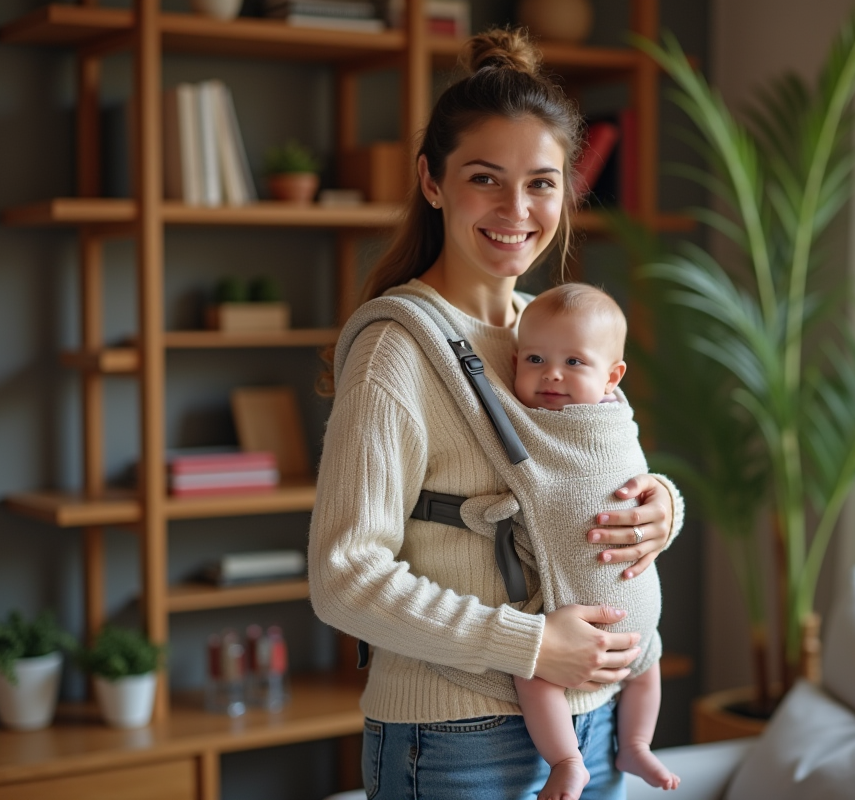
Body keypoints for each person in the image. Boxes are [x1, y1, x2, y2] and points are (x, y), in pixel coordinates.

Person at [308, 27, 684, 800]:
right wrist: (533, 643)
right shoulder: (397, 351)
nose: (518, 208)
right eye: (486, 178)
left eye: (542, 183)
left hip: (598, 719)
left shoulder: (553, 331)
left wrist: (662, 509)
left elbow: (598, 464)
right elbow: (343, 578)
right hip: (455, 736)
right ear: (433, 181)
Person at [510, 283, 680, 798]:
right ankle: (566, 760)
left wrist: (666, 504)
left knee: (647, 669)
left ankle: (635, 744)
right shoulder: (531, 426)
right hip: (564, 623)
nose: (551, 374)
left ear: (612, 378)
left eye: (574, 362)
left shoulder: (615, 423)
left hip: (637, 616)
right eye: (535, 359)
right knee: (532, 674)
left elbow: (636, 480)